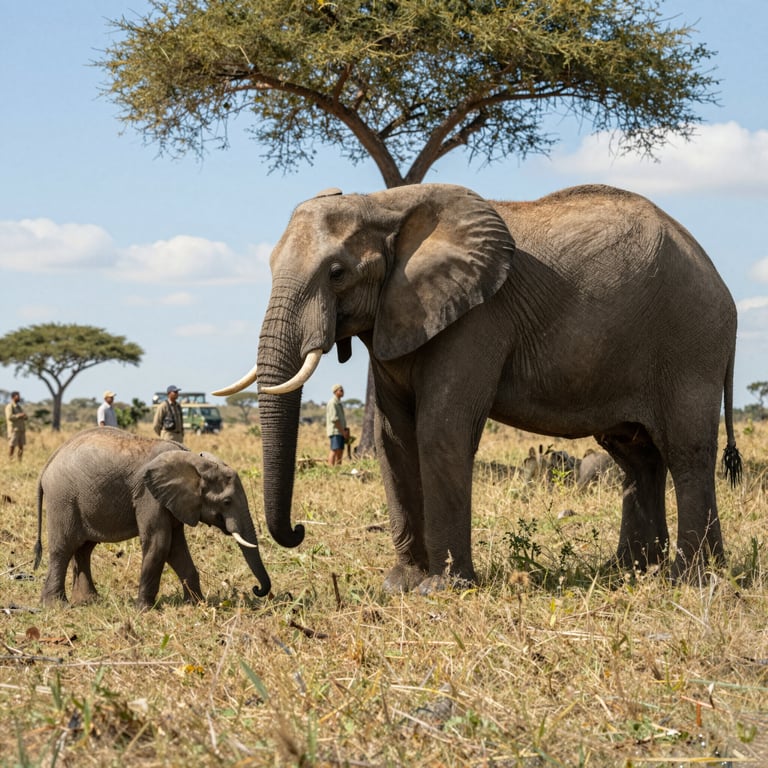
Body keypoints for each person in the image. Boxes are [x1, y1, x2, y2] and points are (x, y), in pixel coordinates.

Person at [326, 383, 349, 466]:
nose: (343, 391)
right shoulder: (332, 403)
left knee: (340, 450)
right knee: (334, 450)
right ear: (335, 391)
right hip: (335, 431)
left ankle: (338, 468)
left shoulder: (338, 403)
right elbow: (334, 419)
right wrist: (342, 431)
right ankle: (331, 469)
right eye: (341, 390)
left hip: (340, 431)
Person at [5, 391, 28, 462]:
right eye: (17, 396)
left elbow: (25, 417)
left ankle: (19, 461)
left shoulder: (19, 407)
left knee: (21, 447)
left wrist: (24, 416)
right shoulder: (10, 406)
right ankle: (10, 460)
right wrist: (19, 415)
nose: (19, 398)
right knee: (12, 446)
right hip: (14, 430)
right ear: (13, 397)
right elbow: (9, 417)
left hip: (21, 429)